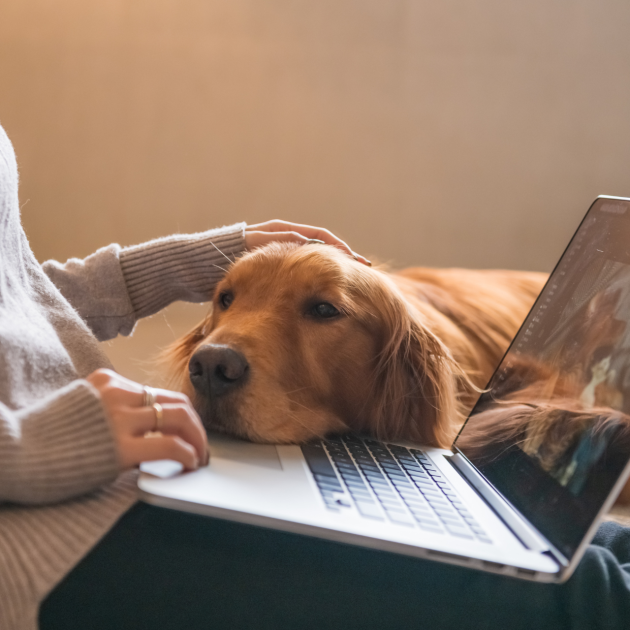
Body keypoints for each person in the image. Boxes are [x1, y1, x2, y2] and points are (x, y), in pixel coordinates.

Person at [1, 121, 630, 630]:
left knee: (588, 544)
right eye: (229, 302)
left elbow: (15, 288)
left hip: (111, 466)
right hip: (46, 537)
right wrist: (36, 446)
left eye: (321, 311)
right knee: (588, 601)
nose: (217, 355)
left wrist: (189, 265)